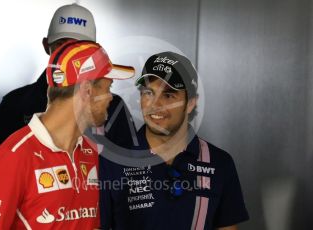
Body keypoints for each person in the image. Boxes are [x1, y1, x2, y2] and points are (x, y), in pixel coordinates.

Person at [0, 40, 135, 229]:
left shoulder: (91, 154)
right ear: (87, 90)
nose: (111, 97)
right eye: (108, 88)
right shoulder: (15, 155)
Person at [99, 52, 249, 230]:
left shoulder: (219, 163)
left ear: (191, 103)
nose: (155, 104)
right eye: (148, 92)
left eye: (169, 95)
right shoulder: (112, 161)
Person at [0, 3, 136, 162]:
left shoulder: (114, 105)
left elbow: (131, 169)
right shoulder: (14, 103)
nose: (69, 55)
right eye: (62, 45)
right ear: (45, 45)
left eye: (79, 48)